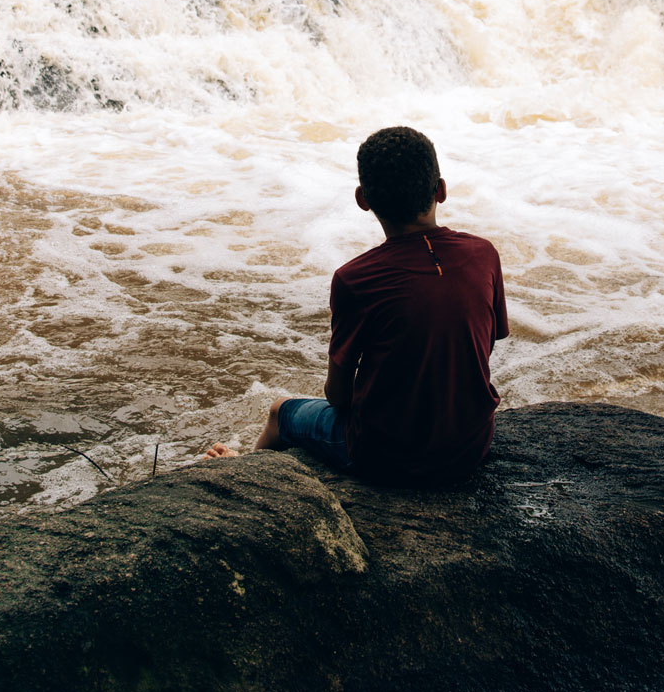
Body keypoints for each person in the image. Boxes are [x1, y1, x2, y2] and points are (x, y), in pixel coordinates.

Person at [207, 126, 509, 486]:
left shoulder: (356, 278)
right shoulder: (484, 254)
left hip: (385, 457)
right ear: (440, 190)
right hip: (471, 445)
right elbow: (483, 348)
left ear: (362, 199)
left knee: (278, 412)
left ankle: (249, 480)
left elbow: (337, 395)